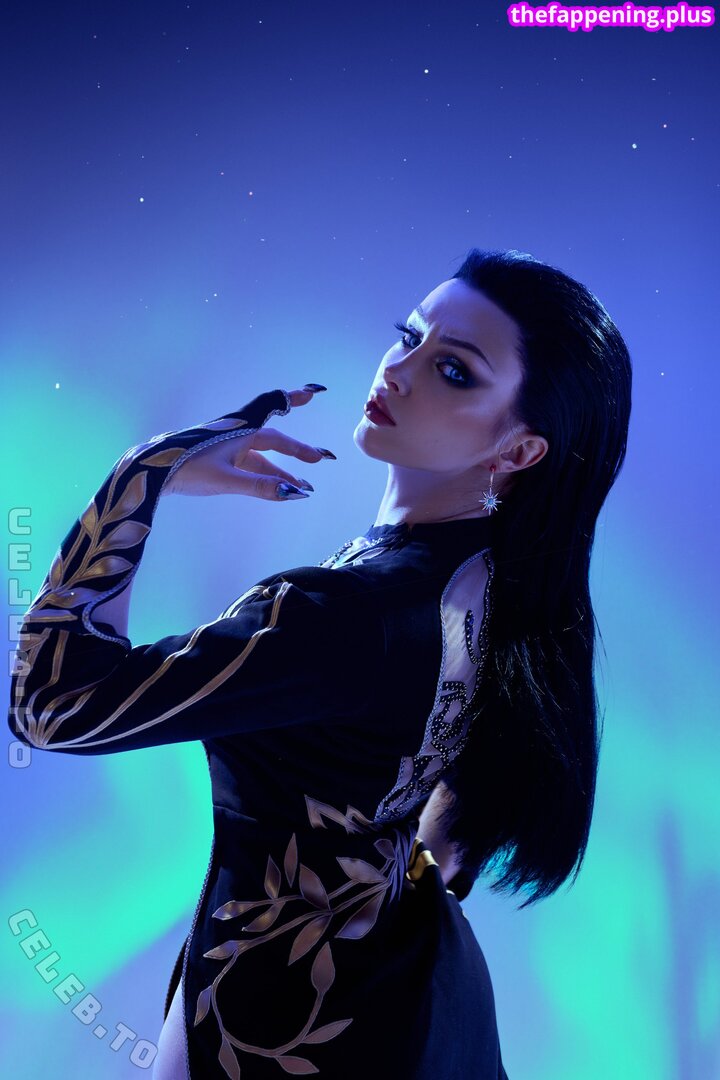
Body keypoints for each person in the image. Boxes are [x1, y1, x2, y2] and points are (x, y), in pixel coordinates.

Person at [8, 246, 632, 1079]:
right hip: (416, 983)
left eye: (452, 370)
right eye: (408, 336)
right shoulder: (505, 585)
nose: (399, 370)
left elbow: (50, 704)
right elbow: (449, 797)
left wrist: (142, 473)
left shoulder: (343, 614)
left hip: (275, 1020)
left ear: (519, 451)